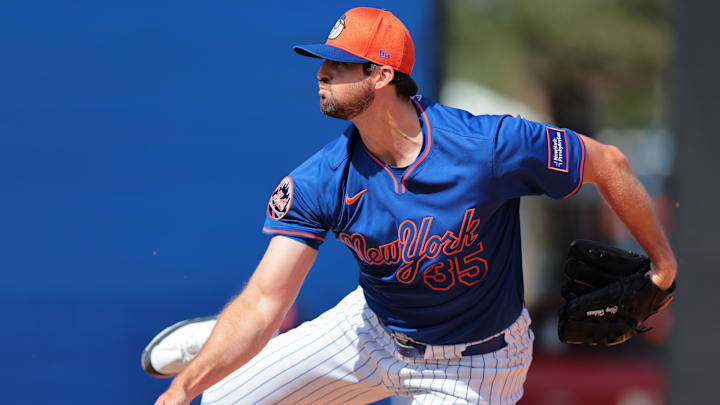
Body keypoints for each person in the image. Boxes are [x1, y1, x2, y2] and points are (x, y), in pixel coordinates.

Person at [149, 7, 677, 405]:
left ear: (382, 75)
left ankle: (221, 346)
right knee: (218, 399)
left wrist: (664, 268)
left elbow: (608, 162)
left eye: (340, 64)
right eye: (323, 62)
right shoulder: (322, 179)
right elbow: (267, 297)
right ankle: (219, 347)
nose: (323, 72)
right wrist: (180, 392)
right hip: (371, 330)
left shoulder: (485, 147)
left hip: (475, 365)